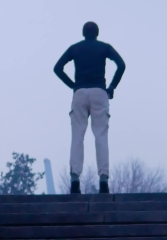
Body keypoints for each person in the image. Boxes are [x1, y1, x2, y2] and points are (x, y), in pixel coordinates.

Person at [54, 21, 126, 194]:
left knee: (77, 135)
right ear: (97, 33)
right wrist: (112, 87)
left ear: (83, 33)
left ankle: (74, 178)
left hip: (80, 93)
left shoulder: (75, 48)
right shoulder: (104, 47)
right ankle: (103, 179)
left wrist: (73, 85)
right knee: (100, 135)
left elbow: (57, 68)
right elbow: (121, 65)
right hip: (100, 92)